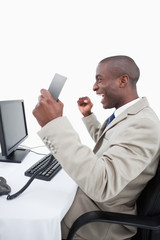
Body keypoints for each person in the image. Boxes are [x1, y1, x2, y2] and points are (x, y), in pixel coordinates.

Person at [32, 55, 160, 240]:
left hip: (97, 220)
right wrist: (88, 115)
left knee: (26, 215)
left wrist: (53, 124)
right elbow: (107, 141)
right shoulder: (131, 116)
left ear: (123, 80)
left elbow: (102, 184)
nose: (94, 87)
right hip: (91, 203)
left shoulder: (144, 124)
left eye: (99, 79)